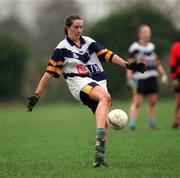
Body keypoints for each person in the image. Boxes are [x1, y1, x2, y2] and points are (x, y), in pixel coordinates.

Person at [27, 14, 146, 168]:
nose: (79, 30)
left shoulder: (89, 42)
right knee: (105, 97)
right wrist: (36, 95)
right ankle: (98, 141)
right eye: (76, 27)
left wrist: (128, 65)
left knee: (104, 122)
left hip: (98, 82)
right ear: (67, 28)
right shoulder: (61, 49)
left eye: (81, 27)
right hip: (79, 84)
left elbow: (108, 55)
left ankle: (99, 159)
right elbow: (48, 73)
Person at [127, 24, 168, 130]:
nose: (147, 34)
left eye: (148, 32)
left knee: (153, 102)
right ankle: (132, 125)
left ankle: (151, 124)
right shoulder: (134, 47)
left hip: (152, 77)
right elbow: (129, 64)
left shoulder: (152, 47)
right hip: (139, 78)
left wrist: (163, 74)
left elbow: (157, 63)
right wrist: (129, 79)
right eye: (145, 32)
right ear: (139, 34)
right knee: (137, 102)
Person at [169, 41, 180, 129]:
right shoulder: (176, 46)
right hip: (178, 77)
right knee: (179, 101)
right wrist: (174, 77)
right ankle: (176, 119)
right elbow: (173, 63)